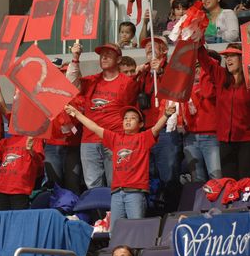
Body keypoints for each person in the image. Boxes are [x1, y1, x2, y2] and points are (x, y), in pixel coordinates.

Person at [65, 103, 175, 227]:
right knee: (115, 231)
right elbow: (94, 127)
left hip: (135, 192)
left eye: (133, 118)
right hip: (117, 193)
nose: (128, 120)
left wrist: (166, 115)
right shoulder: (115, 138)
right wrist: (77, 113)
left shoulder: (143, 138)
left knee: (135, 229)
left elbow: (155, 129)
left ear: (141, 124)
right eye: (125, 118)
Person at [66, 43, 138, 188]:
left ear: (118, 60)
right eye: (102, 54)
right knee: (92, 184)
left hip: (114, 139)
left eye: (109, 54)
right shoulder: (92, 80)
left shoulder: (128, 83)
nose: (104, 57)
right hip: (90, 140)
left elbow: (131, 112)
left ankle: (115, 211)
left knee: (116, 183)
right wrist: (75, 57)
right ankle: (98, 211)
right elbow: (70, 83)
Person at [198, 43, 250, 179]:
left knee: (248, 183)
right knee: (230, 183)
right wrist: (197, 43)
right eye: (226, 56)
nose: (228, 59)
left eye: (232, 55)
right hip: (227, 141)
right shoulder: (221, 76)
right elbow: (205, 60)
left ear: (242, 58)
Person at [135, 36, 182, 211]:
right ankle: (152, 215)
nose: (149, 48)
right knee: (148, 177)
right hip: (146, 131)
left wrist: (161, 71)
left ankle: (172, 214)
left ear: (164, 50)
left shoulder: (173, 68)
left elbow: (178, 86)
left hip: (166, 129)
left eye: (153, 45)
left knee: (169, 175)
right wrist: (136, 76)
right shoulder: (144, 72)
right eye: (147, 46)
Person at [182, 58, 222, 182]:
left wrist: (206, 71)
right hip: (190, 137)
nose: (197, 70)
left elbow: (208, 93)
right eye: (194, 67)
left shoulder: (213, 85)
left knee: (216, 177)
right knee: (197, 179)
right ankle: (200, 202)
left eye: (199, 66)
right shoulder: (184, 89)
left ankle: (219, 202)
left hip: (211, 136)